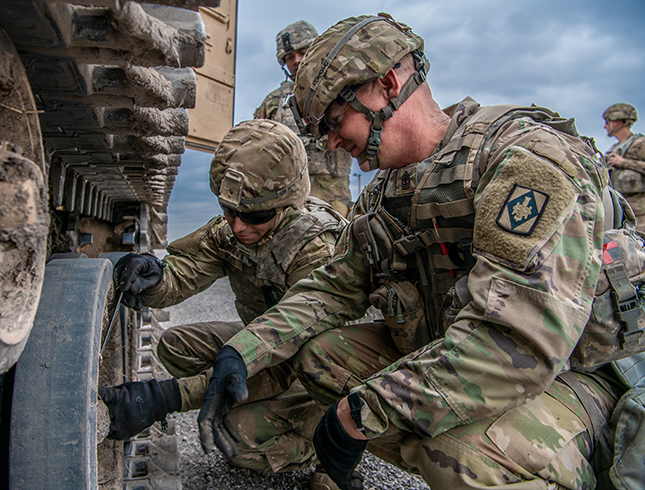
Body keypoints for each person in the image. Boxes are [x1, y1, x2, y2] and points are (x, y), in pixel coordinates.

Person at [198, 14, 635, 489]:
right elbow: (333, 287)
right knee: (324, 356)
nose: (330, 142)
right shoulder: (389, 191)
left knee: (459, 454)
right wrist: (242, 352)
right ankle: (436, 446)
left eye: (336, 120)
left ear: (387, 84)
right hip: (462, 359)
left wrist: (361, 413)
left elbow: (518, 344)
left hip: (572, 375)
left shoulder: (522, 159)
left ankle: (546, 463)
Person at [98, 119, 349, 490]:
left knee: (236, 439)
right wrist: (154, 275)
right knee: (176, 346)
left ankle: (326, 445)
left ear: (287, 205)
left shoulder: (316, 252)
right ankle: (241, 400)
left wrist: (168, 396)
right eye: (230, 211)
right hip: (262, 344)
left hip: (315, 372)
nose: (238, 227)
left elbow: (289, 360)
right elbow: (187, 269)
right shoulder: (235, 228)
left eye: (255, 216)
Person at [254, 20, 354, 217]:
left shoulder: (342, 92)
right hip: (288, 196)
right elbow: (257, 147)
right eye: (289, 57)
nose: (297, 60)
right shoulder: (275, 101)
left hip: (332, 195)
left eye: (303, 52)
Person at [603, 103, 645, 232]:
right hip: (622, 213)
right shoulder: (613, 150)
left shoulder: (640, 143)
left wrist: (624, 163)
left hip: (641, 215)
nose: (605, 126)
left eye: (608, 121)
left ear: (618, 121)